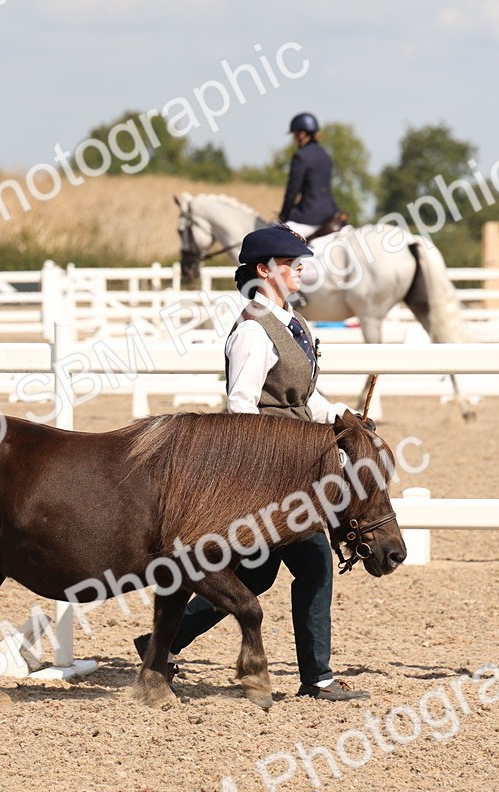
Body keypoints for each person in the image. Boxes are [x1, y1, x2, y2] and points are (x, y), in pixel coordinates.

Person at [136, 224, 368, 701]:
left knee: (256, 574)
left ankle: (160, 643)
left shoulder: (292, 323)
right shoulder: (251, 333)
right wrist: (266, 464)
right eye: (291, 264)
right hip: (270, 475)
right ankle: (318, 679)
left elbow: (303, 397)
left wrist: (343, 417)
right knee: (315, 563)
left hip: (295, 469)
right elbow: (241, 407)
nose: (301, 271)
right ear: (264, 271)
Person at [279, 112, 344, 244]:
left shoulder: (301, 156)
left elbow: (292, 191)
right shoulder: (325, 154)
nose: (294, 139)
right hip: (331, 212)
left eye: (295, 134)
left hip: (310, 216)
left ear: (302, 134)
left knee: (275, 238)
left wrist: (284, 215)